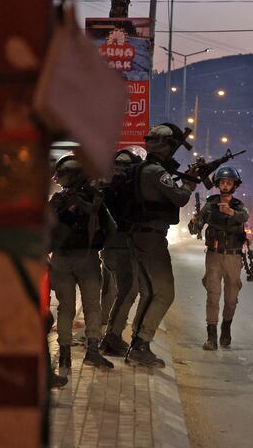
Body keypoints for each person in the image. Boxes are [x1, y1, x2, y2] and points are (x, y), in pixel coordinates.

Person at [126, 123, 196, 367]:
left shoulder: (143, 168)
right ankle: (142, 343)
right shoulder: (156, 171)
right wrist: (191, 182)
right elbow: (179, 198)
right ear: (166, 147)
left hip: (140, 236)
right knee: (165, 293)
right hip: (150, 238)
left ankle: (138, 342)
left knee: (150, 292)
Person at [48, 153, 114, 371]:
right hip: (87, 259)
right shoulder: (94, 199)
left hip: (59, 260)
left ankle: (65, 355)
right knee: (92, 307)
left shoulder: (56, 201)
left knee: (65, 309)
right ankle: (92, 352)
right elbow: (110, 228)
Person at [189, 165, 248, 350]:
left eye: (229, 182)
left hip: (233, 257)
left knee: (231, 297)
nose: (225, 185)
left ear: (234, 185)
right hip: (214, 255)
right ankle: (211, 336)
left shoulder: (239, 207)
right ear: (218, 184)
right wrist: (194, 221)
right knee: (213, 295)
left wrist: (231, 213)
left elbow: (244, 217)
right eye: (222, 182)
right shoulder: (210, 205)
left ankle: (226, 327)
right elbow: (195, 229)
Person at [99, 146, 146, 357]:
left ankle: (110, 335)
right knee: (128, 291)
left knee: (120, 291)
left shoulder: (104, 185)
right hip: (122, 248)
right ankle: (112, 337)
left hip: (109, 248)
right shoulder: (124, 189)